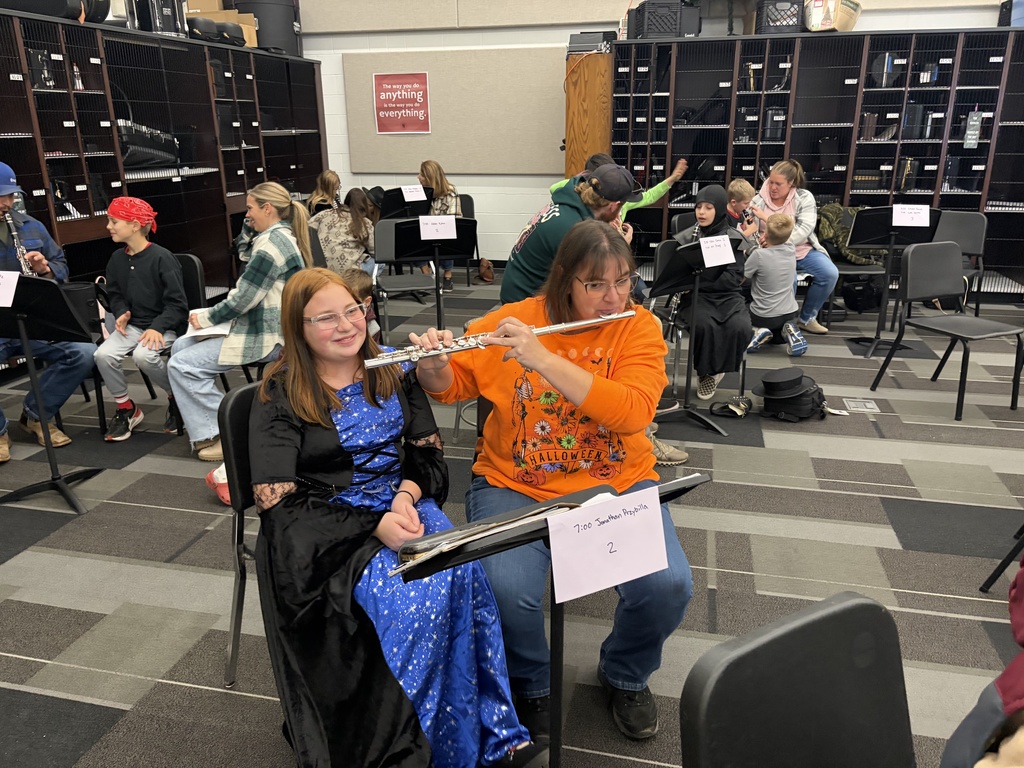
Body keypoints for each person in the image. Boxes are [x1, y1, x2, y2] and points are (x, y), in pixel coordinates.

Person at [250, 267, 547, 768]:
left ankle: (490, 733)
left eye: (353, 310)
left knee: (467, 573)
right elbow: (277, 501)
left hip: (403, 507)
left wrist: (406, 498)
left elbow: (429, 459)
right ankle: (414, 748)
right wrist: (374, 526)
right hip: (327, 528)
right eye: (326, 318)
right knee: (415, 604)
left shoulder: (392, 367)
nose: (347, 325)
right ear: (297, 330)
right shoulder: (282, 393)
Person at [412, 219, 694, 743]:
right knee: (506, 587)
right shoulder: (515, 320)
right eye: (597, 285)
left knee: (668, 586)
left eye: (624, 281)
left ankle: (625, 674)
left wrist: (541, 358)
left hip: (614, 483)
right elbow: (450, 387)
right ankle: (533, 683)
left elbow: (632, 413)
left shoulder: (639, 328)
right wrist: (433, 364)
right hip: (513, 483)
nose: (614, 297)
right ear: (565, 279)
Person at [168, 181, 310, 462]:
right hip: (263, 325)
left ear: (267, 208)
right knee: (179, 349)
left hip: (270, 336)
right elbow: (242, 251)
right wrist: (249, 223)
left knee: (180, 365)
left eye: (250, 209)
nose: (247, 215)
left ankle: (233, 429)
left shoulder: (271, 246)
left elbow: (243, 299)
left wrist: (206, 318)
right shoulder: (276, 236)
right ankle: (209, 426)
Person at [0, 161, 95, 461]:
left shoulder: (31, 225)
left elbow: (61, 267)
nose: (9, 202)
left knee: (83, 352)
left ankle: (36, 414)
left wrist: (45, 269)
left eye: (12, 195)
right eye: (2, 195)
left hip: (32, 320)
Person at [94, 197, 188, 441]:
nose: (108, 226)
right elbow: (114, 293)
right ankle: (127, 408)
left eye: (114, 221)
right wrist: (122, 311)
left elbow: (178, 305)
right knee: (102, 355)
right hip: (134, 326)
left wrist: (158, 327)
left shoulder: (162, 258)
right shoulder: (116, 258)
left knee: (143, 356)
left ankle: (176, 396)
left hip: (164, 327)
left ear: (135, 225)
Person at [499, 163, 642, 305]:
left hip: (519, 287)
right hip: (525, 301)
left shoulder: (569, 204)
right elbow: (598, 276)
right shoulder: (575, 229)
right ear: (613, 206)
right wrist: (622, 245)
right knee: (629, 292)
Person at [672, 185, 751, 402]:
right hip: (696, 296)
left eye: (708, 208)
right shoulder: (688, 237)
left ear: (719, 209)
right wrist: (700, 279)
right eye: (698, 207)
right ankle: (706, 374)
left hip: (728, 295)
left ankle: (716, 370)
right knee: (704, 325)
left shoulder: (733, 237)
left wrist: (701, 277)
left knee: (740, 326)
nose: (701, 212)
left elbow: (734, 277)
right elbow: (678, 275)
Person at [751, 159, 838, 335]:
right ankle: (785, 325)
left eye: (778, 184)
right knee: (787, 281)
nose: (772, 187)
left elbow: (805, 229)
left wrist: (779, 240)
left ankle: (807, 319)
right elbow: (751, 230)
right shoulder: (758, 200)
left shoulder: (804, 197)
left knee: (830, 273)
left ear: (791, 183)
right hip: (772, 254)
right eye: (771, 182)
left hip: (802, 249)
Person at [551, 154, 688, 235]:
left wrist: (672, 179)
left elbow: (649, 196)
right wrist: (582, 178)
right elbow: (554, 188)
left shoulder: (623, 198)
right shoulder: (583, 202)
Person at [744, 213, 808, 357]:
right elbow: (781, 237)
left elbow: (740, 280)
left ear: (765, 234)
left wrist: (747, 251)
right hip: (790, 313)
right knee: (777, 336)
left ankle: (757, 331)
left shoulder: (758, 255)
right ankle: (787, 329)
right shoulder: (791, 248)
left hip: (762, 316)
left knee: (739, 308)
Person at [417, 160, 466, 291]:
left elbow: (453, 219)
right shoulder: (421, 192)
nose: (418, 177)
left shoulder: (450, 191)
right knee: (410, 235)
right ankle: (425, 271)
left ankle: (447, 275)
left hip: (444, 229)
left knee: (445, 236)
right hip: (426, 229)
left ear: (429, 177)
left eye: (421, 174)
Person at [309, 187, 376, 276]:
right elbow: (374, 251)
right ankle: (365, 286)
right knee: (379, 263)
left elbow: (307, 226)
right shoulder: (365, 223)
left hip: (323, 270)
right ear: (364, 205)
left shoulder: (325, 214)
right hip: (350, 273)